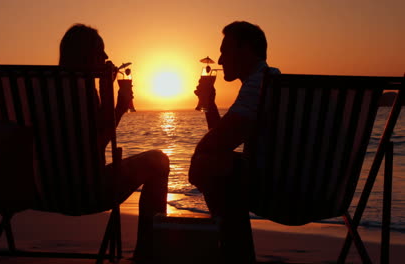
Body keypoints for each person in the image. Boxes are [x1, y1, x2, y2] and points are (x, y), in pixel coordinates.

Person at [58, 24, 170, 262]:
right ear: (86, 56)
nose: (107, 58)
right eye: (101, 52)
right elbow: (94, 147)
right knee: (158, 161)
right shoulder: (82, 89)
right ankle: (148, 253)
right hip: (86, 191)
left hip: (35, 190)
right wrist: (118, 106)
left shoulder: (36, 89)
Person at [188, 21, 280, 262]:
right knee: (213, 164)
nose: (219, 61)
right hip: (319, 191)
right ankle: (235, 253)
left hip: (277, 191)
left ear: (246, 49)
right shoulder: (273, 81)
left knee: (207, 165)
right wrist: (209, 103)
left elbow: (218, 144)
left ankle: (235, 255)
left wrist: (198, 158)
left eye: (224, 51)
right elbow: (224, 138)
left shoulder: (259, 85)